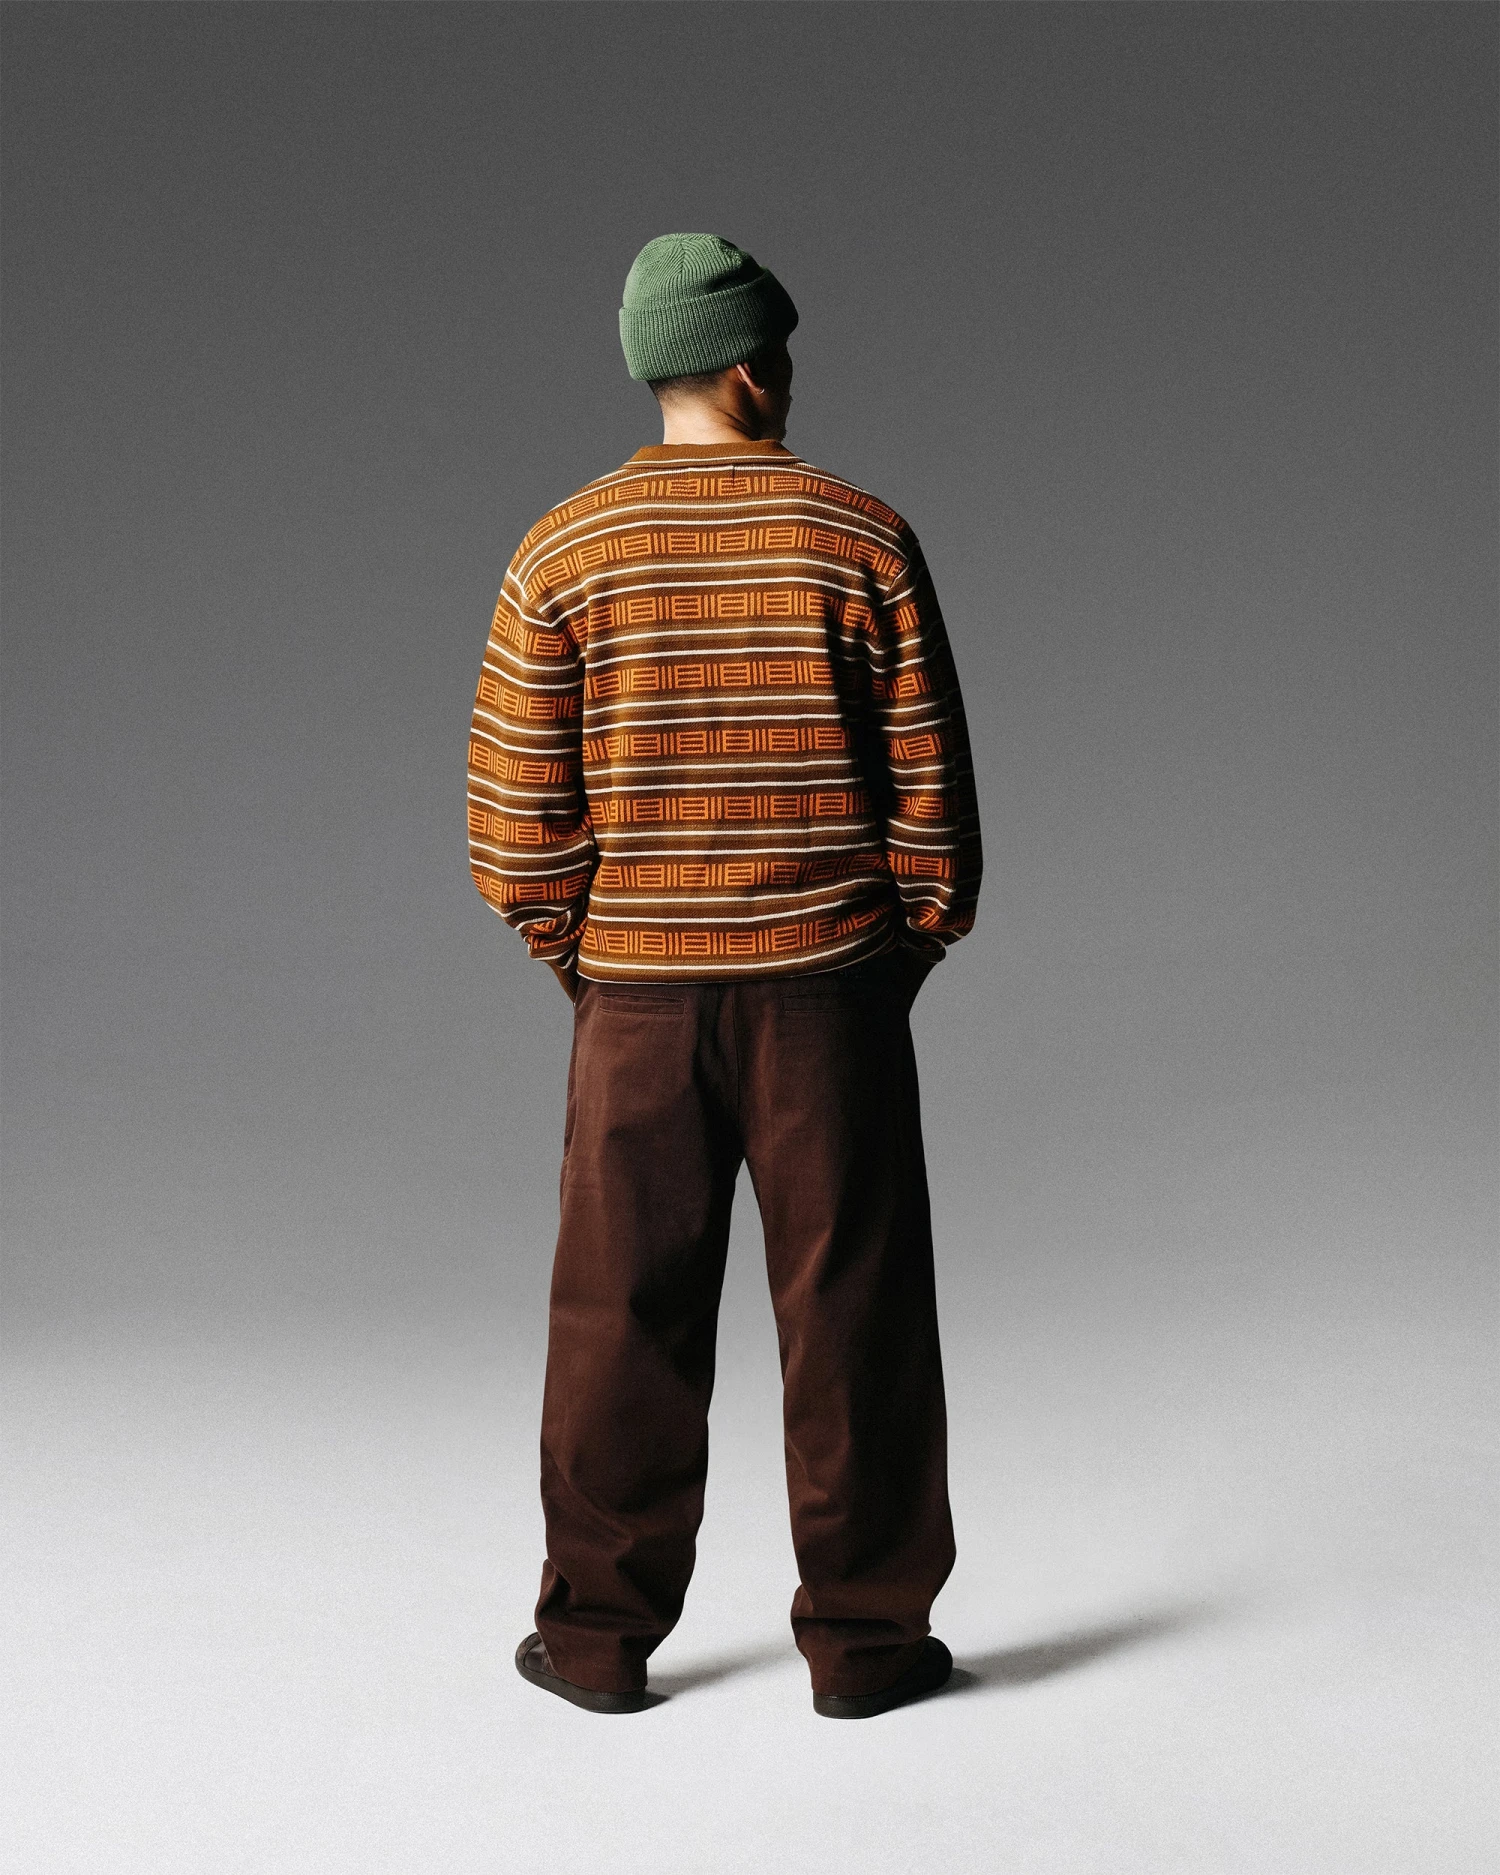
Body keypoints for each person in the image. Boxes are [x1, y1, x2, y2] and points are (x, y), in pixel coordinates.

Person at [466, 233, 982, 1718]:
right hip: (831, 995)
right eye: (783, 348)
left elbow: (510, 822)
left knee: (617, 1321)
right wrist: (892, 955)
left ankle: (594, 1640)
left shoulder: (561, 550)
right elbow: (932, 803)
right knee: (856, 1316)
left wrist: (597, 964)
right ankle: (868, 1648)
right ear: (753, 366)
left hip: (635, 1003)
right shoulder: (861, 538)